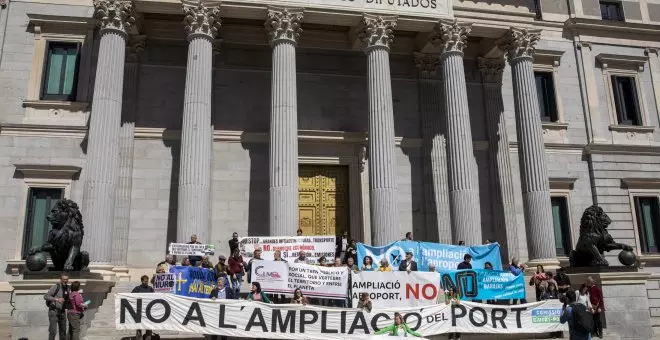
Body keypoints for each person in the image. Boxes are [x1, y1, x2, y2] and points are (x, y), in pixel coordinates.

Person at [45, 272, 70, 340]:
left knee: (63, 331)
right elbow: (46, 296)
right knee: (53, 331)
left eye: (66, 279)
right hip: (54, 311)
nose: (65, 281)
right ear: (60, 279)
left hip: (62, 312)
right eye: (64, 279)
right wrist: (56, 299)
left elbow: (68, 298)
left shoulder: (68, 288)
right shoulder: (55, 287)